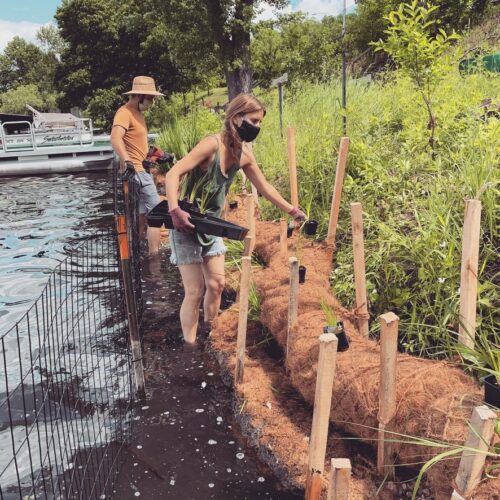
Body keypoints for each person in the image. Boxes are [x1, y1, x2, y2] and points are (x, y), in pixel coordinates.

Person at [165, 93, 306, 344]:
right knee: (195, 291)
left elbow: (266, 189)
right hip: (185, 224)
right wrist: (175, 210)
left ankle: (210, 334)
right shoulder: (211, 145)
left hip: (212, 226)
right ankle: (190, 345)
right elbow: (173, 173)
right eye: (253, 120)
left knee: (218, 284)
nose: (257, 127)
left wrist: (293, 210)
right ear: (237, 117)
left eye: (261, 122)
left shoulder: (244, 155)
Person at [111, 75, 163, 255]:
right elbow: (115, 139)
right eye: (151, 98)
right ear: (139, 95)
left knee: (142, 211)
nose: (152, 101)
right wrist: (127, 161)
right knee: (157, 211)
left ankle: (141, 248)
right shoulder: (124, 113)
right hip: (136, 172)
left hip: (143, 169)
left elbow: (136, 143)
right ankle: (154, 254)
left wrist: (154, 156)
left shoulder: (138, 114)